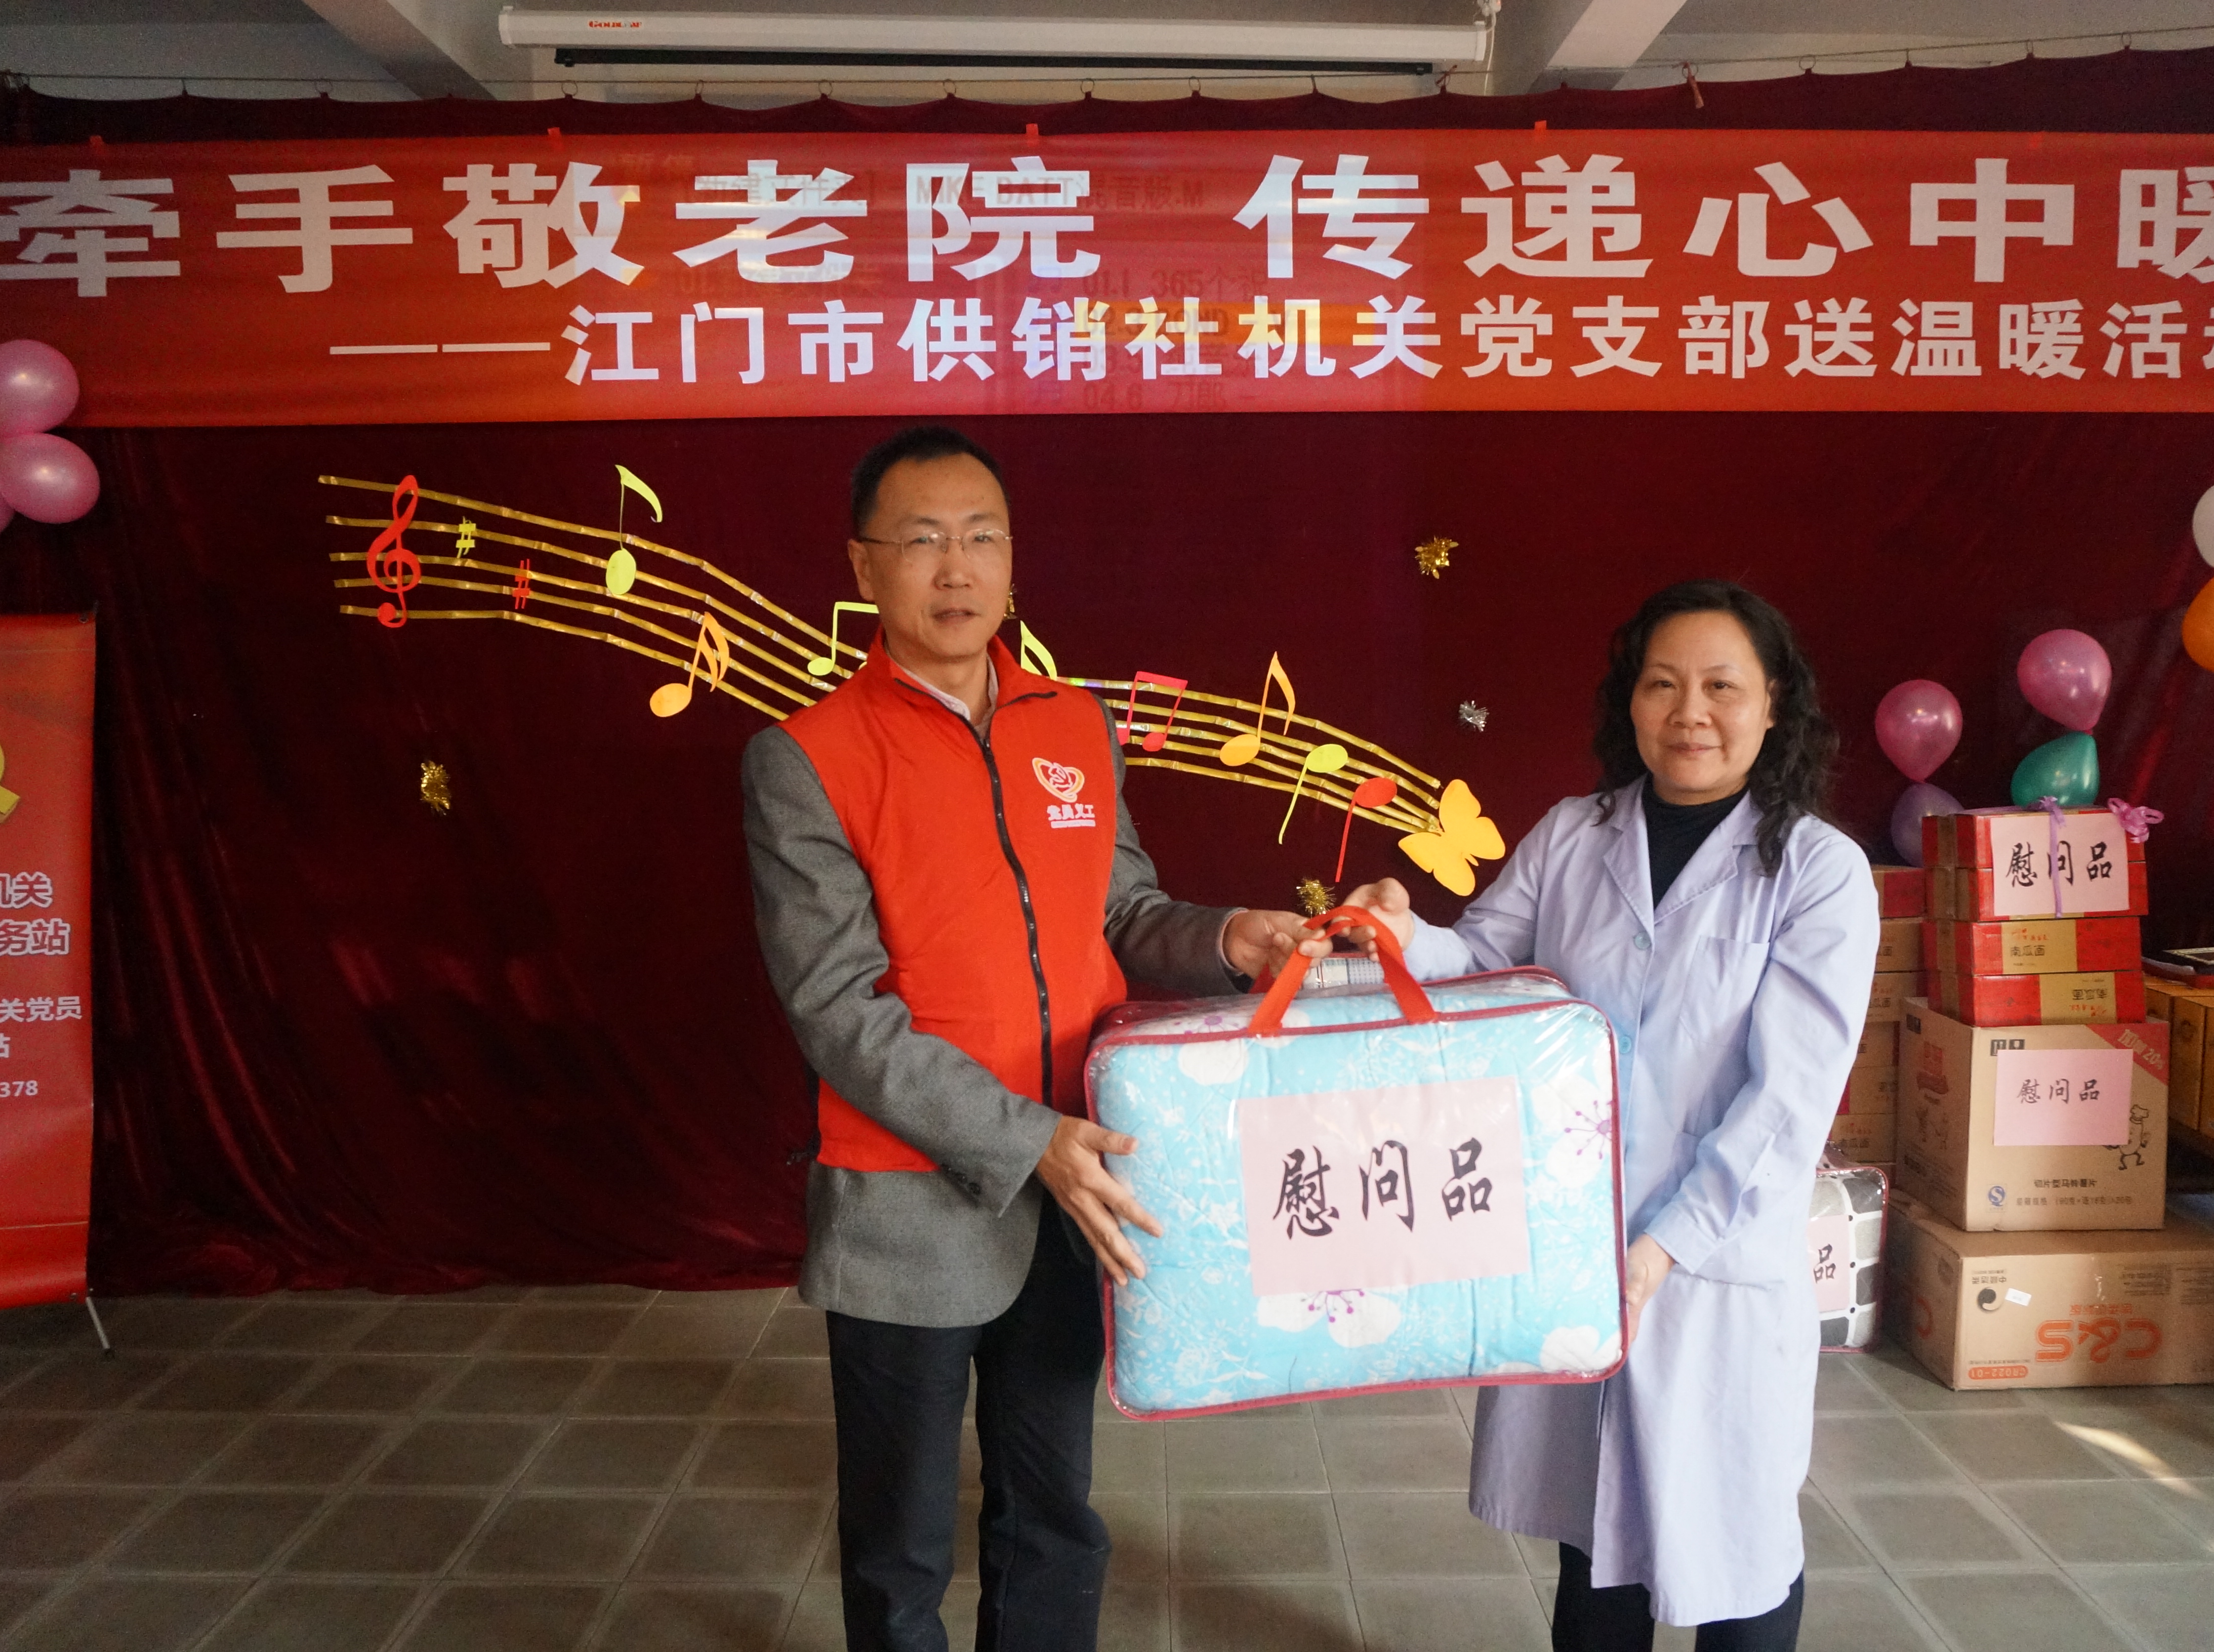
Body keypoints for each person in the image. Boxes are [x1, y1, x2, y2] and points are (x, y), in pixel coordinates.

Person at [742, 425, 1317, 1652]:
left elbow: (1123, 911)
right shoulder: (804, 760)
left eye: (982, 538)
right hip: (904, 1206)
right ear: (862, 567)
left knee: (1054, 1516)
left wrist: (1232, 941)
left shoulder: (1074, 726)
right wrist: (1028, 1139)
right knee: (899, 1545)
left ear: (1012, 562)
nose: (956, 569)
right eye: (922, 541)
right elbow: (839, 1010)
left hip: (1075, 1192)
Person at [1340, 579, 1877, 1651]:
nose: (1690, 713)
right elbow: (1484, 962)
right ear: (1629, 701)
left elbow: (1787, 1100)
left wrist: (1665, 1245)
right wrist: (1402, 937)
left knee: (1736, 1546)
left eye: (1721, 687)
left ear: (1774, 704)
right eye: (1662, 684)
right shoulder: (1573, 835)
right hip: (1572, 1234)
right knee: (1594, 1538)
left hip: (1711, 1264)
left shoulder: (1818, 872)